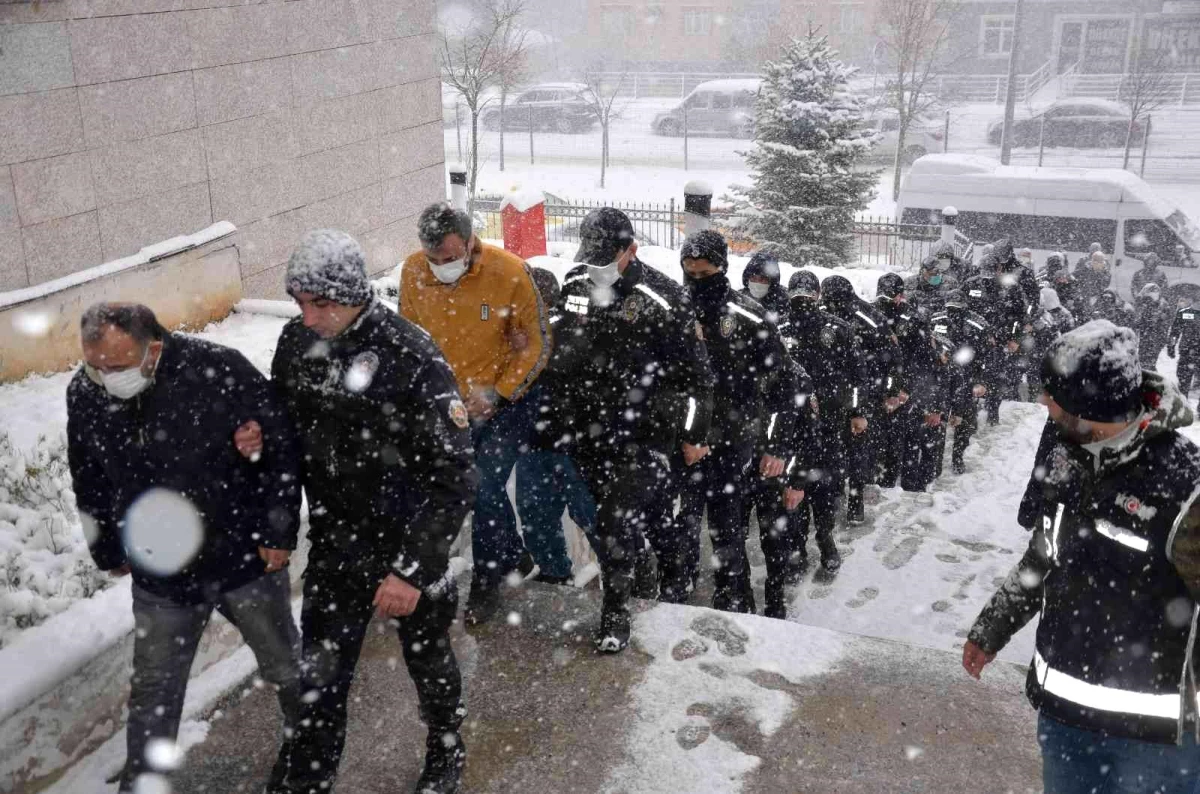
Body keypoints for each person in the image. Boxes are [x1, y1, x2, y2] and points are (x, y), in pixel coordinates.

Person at [270, 230, 477, 794]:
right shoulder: (296, 343)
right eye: (300, 303)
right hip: (338, 544)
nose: (307, 317)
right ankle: (308, 774)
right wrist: (277, 521)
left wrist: (411, 569)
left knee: (429, 662)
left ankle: (445, 748)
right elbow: (283, 443)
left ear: (353, 295)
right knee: (320, 674)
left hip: (408, 542)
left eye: (321, 304)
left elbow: (455, 475)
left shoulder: (411, 355)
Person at [66, 303, 303, 793]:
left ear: (153, 348)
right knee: (155, 689)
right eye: (96, 364)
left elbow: (278, 446)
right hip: (161, 574)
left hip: (240, 559)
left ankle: (310, 749)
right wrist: (107, 548)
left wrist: (278, 534)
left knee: (284, 664)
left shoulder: (217, 369)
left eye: (118, 365)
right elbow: (86, 472)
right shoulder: (85, 390)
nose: (105, 377)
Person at [963, 320, 1200, 794]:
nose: (1043, 402)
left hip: (1151, 744)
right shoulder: (1066, 454)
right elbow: (1042, 555)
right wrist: (992, 629)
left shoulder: (1184, 487)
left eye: (1054, 394)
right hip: (1063, 722)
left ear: (1093, 403)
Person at [539, 207, 714, 651]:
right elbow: (564, 345)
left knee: (618, 521)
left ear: (629, 250)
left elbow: (698, 379)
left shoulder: (665, 297)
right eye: (590, 257)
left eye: (604, 259)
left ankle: (616, 613)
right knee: (638, 519)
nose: (594, 267)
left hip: (645, 432)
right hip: (589, 430)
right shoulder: (579, 283)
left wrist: (694, 435)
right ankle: (656, 573)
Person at [401, 203, 550, 624]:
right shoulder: (413, 272)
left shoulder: (509, 273)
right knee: (466, 489)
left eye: (450, 257)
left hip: (506, 405)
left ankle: (486, 583)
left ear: (468, 242)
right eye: (434, 259)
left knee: (483, 488)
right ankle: (513, 553)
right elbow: (410, 338)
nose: (441, 266)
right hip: (450, 407)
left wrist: (497, 393)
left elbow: (537, 345)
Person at [674, 230, 799, 615]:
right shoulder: (672, 310)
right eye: (688, 273)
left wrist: (777, 446)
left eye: (704, 273)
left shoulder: (749, 317)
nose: (695, 281)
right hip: (682, 441)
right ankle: (678, 589)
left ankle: (733, 600)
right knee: (682, 523)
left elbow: (784, 387)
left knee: (727, 528)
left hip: (731, 440)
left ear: (722, 269)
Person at [514, 267, 596, 585]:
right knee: (536, 517)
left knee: (590, 515)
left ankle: (628, 571)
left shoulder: (571, 328)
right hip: (534, 445)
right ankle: (553, 572)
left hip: (575, 446)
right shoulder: (520, 334)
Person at [780, 270, 856, 571]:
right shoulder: (779, 328)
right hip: (793, 424)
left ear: (818, 295)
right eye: (796, 292)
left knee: (826, 489)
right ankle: (797, 549)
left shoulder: (838, 329)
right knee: (793, 488)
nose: (802, 298)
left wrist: (856, 412)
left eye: (808, 292)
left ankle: (825, 539)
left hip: (829, 422)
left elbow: (856, 377)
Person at [820, 275, 900, 525]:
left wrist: (890, 390)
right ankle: (835, 497)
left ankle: (854, 502)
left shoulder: (869, 317)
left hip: (864, 394)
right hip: (833, 395)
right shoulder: (824, 314)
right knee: (833, 449)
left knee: (857, 451)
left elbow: (891, 357)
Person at [873, 273, 947, 493]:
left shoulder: (914, 321)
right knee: (882, 446)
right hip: (880, 391)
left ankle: (909, 490)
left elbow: (929, 364)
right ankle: (882, 486)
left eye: (893, 296)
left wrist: (907, 390)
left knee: (909, 445)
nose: (890, 302)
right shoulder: (872, 316)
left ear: (901, 296)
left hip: (910, 393)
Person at [928, 290, 996, 474]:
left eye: (957, 308)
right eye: (950, 307)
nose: (952, 312)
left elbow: (988, 357)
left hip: (968, 378)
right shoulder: (934, 320)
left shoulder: (979, 324)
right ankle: (934, 464)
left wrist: (982, 382)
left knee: (965, 423)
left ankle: (958, 456)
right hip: (940, 378)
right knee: (937, 419)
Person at [1026, 287, 1075, 395]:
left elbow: (1070, 332)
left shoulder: (1064, 314)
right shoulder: (1039, 313)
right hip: (1040, 348)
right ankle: (1035, 393)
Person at [740, 251, 789, 322]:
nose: (757, 283)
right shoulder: (740, 297)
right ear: (747, 279)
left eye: (763, 279)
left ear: (772, 282)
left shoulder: (782, 302)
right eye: (753, 278)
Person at [1133, 283, 1173, 371]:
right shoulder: (1143, 303)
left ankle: (1148, 374)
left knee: (1150, 360)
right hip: (1146, 334)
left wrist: (1153, 318)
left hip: (1156, 336)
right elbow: (1137, 320)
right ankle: (1145, 373)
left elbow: (1164, 321)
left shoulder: (1163, 305)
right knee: (1144, 358)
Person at [905, 255, 958, 319]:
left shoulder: (950, 283)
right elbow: (905, 304)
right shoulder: (910, 283)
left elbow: (956, 304)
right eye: (931, 274)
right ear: (923, 272)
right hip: (917, 321)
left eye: (938, 273)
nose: (935, 276)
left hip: (941, 319)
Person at [1168, 297, 1200, 402]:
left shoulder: (1186, 314)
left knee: (1183, 382)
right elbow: (1175, 331)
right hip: (1188, 351)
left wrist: (1171, 346)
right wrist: (1171, 345)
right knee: (1183, 381)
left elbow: (1175, 332)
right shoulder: (1187, 314)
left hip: (1187, 351)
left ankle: (1182, 403)